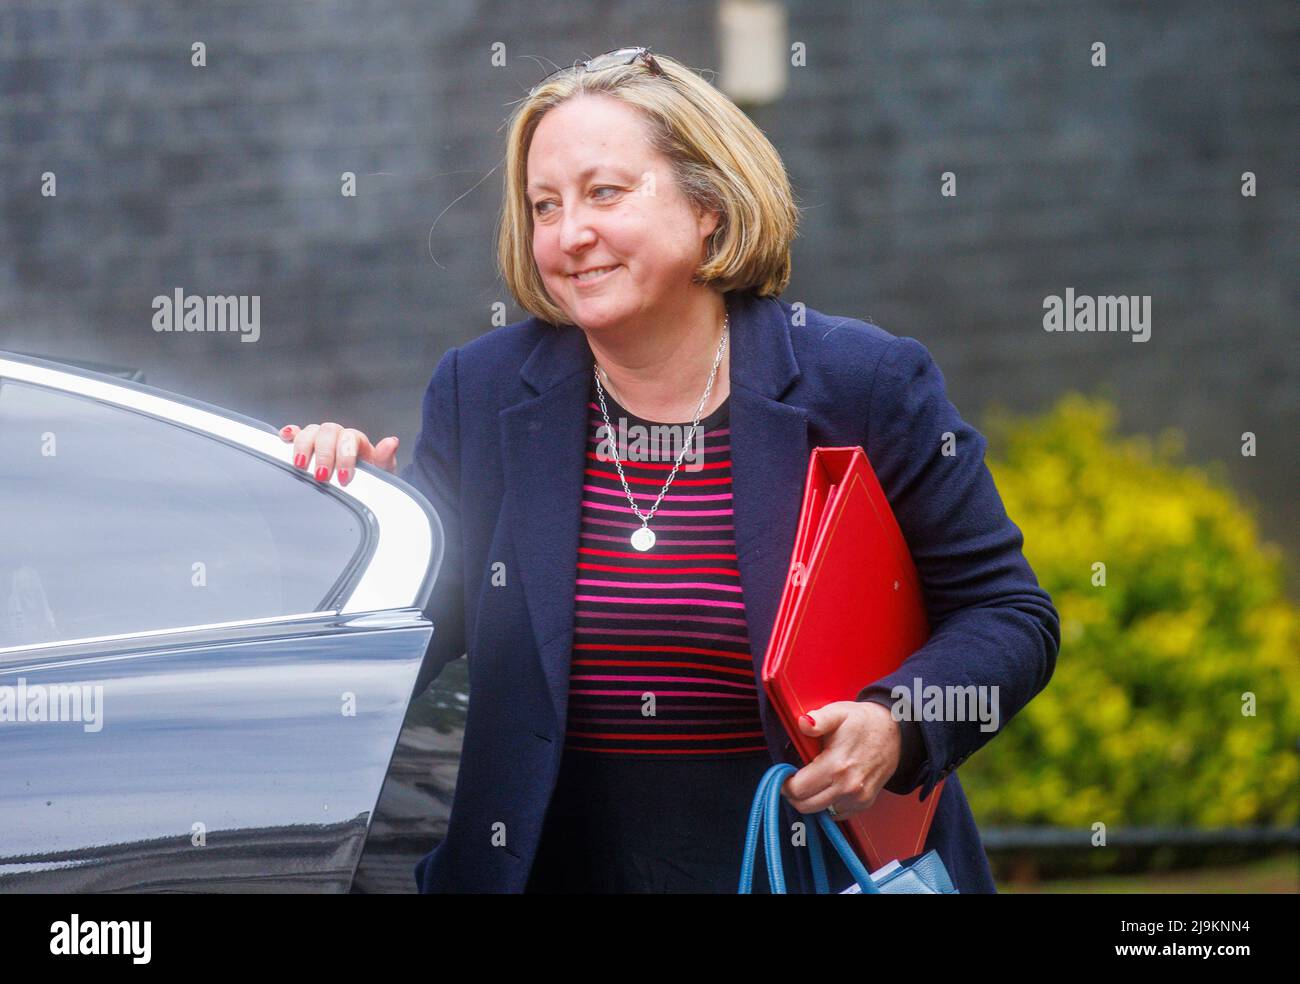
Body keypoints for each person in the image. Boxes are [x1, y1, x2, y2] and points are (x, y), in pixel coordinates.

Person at [279, 47, 1060, 893]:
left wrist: (895, 721)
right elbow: (407, 642)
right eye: (545, 205)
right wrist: (340, 517)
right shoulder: (485, 393)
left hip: (821, 873)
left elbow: (1009, 614)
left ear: (709, 207)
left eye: (604, 193)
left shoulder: (860, 382)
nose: (569, 233)